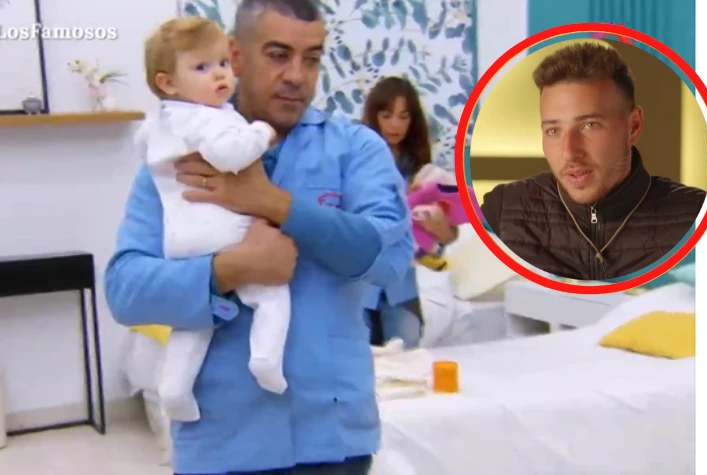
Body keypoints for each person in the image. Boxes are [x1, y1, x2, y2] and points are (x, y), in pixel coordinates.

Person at [104, 1, 413, 473]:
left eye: (312, 58)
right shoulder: (179, 158)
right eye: (278, 55)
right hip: (220, 443)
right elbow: (126, 290)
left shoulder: (355, 148)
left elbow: (388, 259)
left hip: (332, 441)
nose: (297, 76)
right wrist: (232, 269)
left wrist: (273, 203)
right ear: (236, 55)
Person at [136, 16, 291, 424]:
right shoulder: (208, 116)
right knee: (271, 293)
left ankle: (174, 391)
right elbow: (230, 155)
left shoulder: (161, 122)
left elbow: (145, 151)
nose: (220, 75)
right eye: (202, 67)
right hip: (222, 229)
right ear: (168, 83)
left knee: (194, 319)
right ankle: (266, 360)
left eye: (222, 63)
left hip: (180, 238)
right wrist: (261, 133)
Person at [480, 43, 706, 281]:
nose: (569, 153)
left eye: (590, 125)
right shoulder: (504, 209)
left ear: (633, 126)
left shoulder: (695, 214)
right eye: (553, 130)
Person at [360, 76, 458, 349]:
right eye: (387, 115)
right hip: (359, 285)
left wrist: (438, 227)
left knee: (407, 347)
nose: (395, 125)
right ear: (374, 116)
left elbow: (442, 242)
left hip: (401, 286)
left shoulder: (422, 171)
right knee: (357, 352)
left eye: (403, 117)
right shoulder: (357, 161)